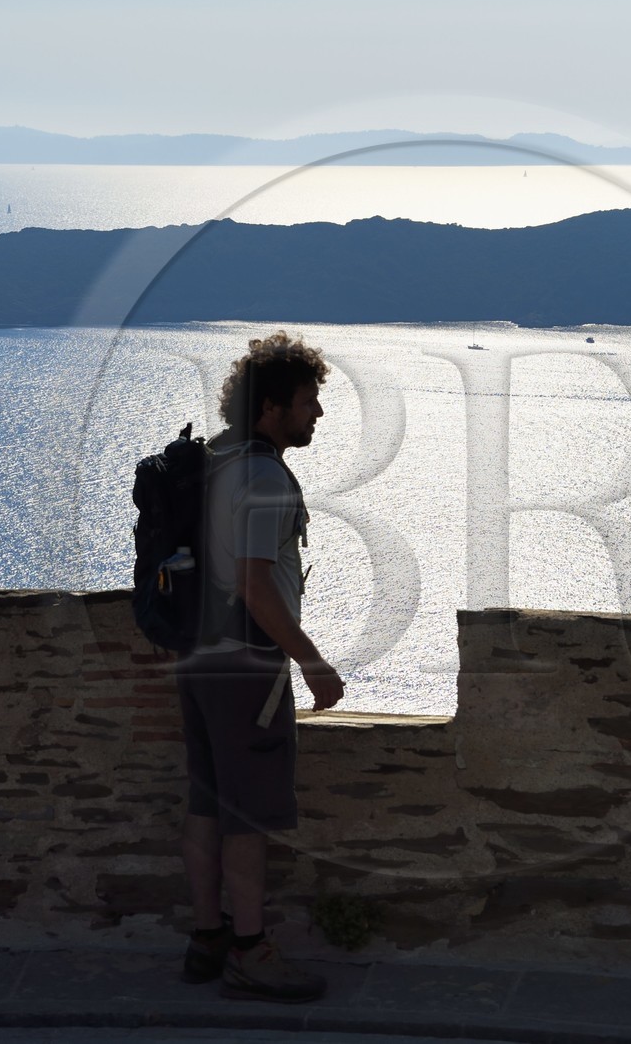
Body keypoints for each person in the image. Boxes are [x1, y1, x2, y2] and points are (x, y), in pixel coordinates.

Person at [178, 332, 346, 1004]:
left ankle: (206, 937)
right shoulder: (265, 477)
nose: (317, 413)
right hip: (246, 669)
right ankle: (251, 952)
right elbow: (253, 583)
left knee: (206, 805)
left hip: (198, 658)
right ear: (271, 407)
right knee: (245, 817)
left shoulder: (217, 461)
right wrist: (313, 662)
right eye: (307, 401)